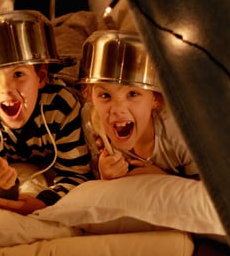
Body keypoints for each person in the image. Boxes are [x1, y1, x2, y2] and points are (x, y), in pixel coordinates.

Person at [0, 9, 94, 217]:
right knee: (22, 21)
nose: (6, 89)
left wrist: (43, 202)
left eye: (18, 74)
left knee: (72, 25)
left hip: (66, 76)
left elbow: (76, 173)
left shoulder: (62, 106)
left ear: (40, 77)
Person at [78, 30, 200, 180]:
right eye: (105, 96)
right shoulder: (93, 124)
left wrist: (161, 177)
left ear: (155, 98)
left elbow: (210, 193)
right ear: (91, 97)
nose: (118, 109)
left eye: (133, 94)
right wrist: (105, 177)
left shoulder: (181, 134)